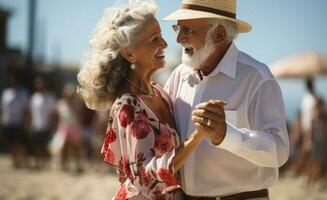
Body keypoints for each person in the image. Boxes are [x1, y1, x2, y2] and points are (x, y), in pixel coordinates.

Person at [77, 1, 208, 199]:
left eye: (162, 36)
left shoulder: (159, 92)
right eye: (154, 39)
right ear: (129, 54)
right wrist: (198, 136)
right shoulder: (127, 106)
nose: (164, 44)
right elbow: (145, 176)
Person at [163, 0, 289, 199]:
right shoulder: (179, 75)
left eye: (187, 30)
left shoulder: (256, 77)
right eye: (178, 28)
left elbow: (279, 151)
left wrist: (226, 135)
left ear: (219, 34)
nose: (179, 39)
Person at [0, 73, 30, 168]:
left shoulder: (23, 93)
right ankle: (15, 161)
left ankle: (23, 160)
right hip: (8, 122)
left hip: (19, 122)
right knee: (11, 144)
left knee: (20, 144)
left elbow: (26, 110)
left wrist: (26, 123)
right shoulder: (6, 94)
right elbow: (2, 108)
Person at [29, 76, 57, 169]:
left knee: (45, 146)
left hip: (46, 126)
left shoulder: (50, 97)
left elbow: (53, 114)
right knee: (37, 146)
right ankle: (38, 164)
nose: (39, 85)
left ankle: (46, 163)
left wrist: (52, 126)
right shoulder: (34, 98)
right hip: (36, 126)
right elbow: (31, 113)